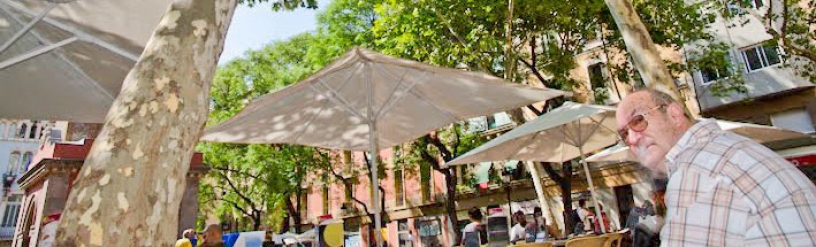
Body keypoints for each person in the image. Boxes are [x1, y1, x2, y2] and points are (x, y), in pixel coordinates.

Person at [616, 88, 816, 246]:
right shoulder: (722, 148)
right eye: (624, 134)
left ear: (675, 114)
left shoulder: (697, 168)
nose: (632, 138)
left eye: (638, 121)